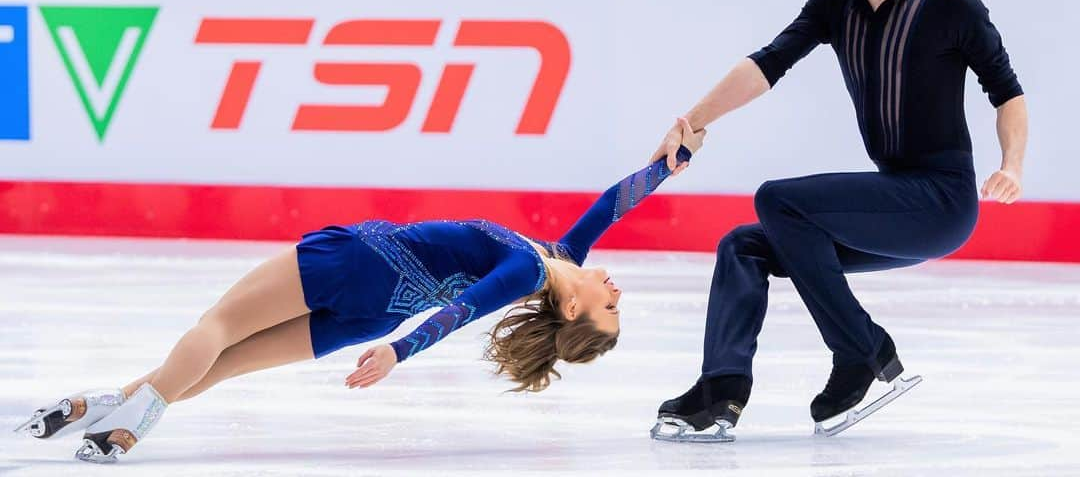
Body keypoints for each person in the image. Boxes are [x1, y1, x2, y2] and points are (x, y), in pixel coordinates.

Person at [16, 122, 704, 462]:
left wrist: (399, 354)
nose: (617, 287)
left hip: (359, 261)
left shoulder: (528, 272)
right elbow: (617, 202)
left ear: (575, 309)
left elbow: (462, 310)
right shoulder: (558, 257)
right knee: (218, 363)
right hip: (369, 309)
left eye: (611, 305)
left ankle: (132, 424)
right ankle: (102, 408)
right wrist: (673, 161)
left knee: (217, 325)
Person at [650, 0, 1027, 442]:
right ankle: (721, 390)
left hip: (941, 202)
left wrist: (1012, 165)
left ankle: (860, 349)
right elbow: (766, 64)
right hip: (892, 197)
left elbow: (1008, 93)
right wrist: (692, 123)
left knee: (780, 200)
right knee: (744, 245)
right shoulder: (835, 5)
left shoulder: (951, 5)